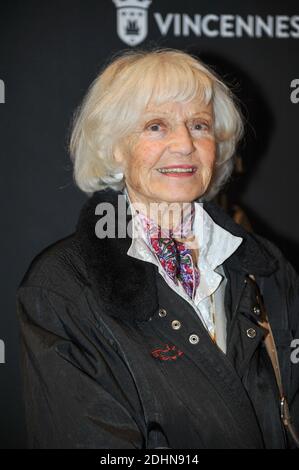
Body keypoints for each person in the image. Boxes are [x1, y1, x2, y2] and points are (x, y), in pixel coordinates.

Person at [16, 48, 299, 449]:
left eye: (199, 125)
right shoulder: (61, 285)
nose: (184, 144)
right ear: (115, 147)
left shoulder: (267, 268)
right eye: (156, 126)